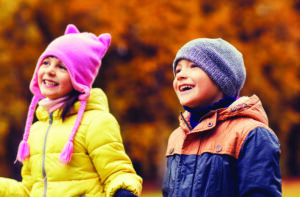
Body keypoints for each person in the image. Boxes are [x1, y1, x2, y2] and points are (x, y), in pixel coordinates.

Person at [0, 24, 142, 197]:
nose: (50, 71)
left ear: (79, 79)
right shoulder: (36, 130)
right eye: (46, 62)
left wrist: (123, 192)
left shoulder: (96, 122)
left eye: (62, 67)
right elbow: (29, 190)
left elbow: (117, 172)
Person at [162, 38, 281, 197]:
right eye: (178, 70)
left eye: (194, 66)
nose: (181, 75)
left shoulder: (251, 134)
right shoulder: (177, 137)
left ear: (221, 77)